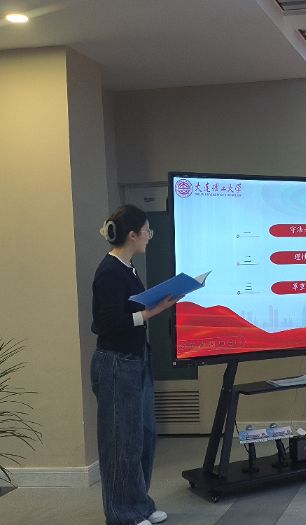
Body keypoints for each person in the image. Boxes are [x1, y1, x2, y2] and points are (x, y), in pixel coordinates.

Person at [91, 205, 179, 525]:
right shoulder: (109, 271)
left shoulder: (128, 267)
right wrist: (151, 312)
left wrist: (155, 305)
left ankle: (140, 504)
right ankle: (122, 514)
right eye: (147, 231)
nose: (149, 237)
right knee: (120, 443)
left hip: (136, 360)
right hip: (116, 364)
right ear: (132, 235)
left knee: (142, 437)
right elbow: (107, 323)